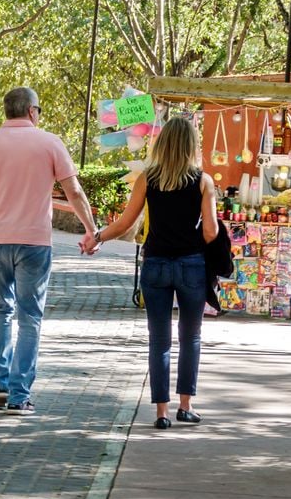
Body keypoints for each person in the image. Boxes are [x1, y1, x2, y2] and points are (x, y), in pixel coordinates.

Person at [0, 87, 97, 415]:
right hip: (34, 243)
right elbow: (73, 190)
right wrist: (92, 230)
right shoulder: (50, 143)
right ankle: (19, 396)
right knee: (30, 317)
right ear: (32, 111)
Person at [80, 115, 218, 429]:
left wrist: (96, 237)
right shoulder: (203, 181)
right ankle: (186, 405)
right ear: (191, 146)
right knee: (191, 337)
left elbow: (126, 222)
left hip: (155, 265)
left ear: (164, 143)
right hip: (191, 265)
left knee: (159, 341)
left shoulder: (148, 179)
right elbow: (210, 232)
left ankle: (161, 413)